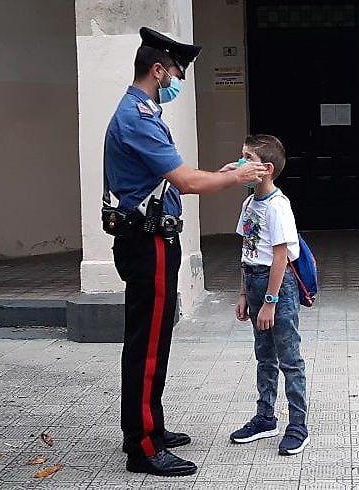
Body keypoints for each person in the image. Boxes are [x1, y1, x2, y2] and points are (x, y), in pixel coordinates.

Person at [103, 27, 267, 477]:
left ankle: (149, 427)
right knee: (148, 344)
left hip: (154, 236)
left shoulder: (143, 112)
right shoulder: (137, 117)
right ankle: (142, 445)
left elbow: (178, 177)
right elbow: (189, 183)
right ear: (158, 70)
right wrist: (236, 178)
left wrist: (222, 173)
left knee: (154, 338)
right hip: (148, 242)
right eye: (175, 71)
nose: (177, 79)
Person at [230, 134, 310, 455]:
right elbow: (247, 250)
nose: (239, 163)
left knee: (289, 358)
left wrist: (270, 302)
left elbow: (280, 257)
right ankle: (265, 417)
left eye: (246, 158)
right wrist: (242, 294)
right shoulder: (249, 203)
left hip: (276, 288)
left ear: (267, 168)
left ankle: (298, 425)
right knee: (264, 355)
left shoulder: (279, 207)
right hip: (253, 283)